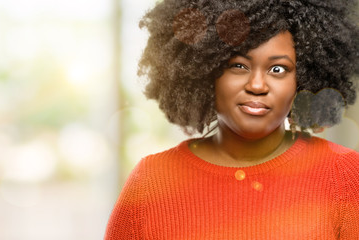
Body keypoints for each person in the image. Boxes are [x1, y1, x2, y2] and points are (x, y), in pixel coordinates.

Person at [105, 0, 359, 239]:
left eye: (278, 69)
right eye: (238, 66)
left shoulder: (345, 176)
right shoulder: (151, 181)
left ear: (303, 79)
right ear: (205, 69)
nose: (257, 85)